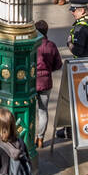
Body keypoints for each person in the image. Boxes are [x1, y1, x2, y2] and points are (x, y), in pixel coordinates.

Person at [33, 19, 62, 148]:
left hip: (32, 82)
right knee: (43, 111)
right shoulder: (51, 46)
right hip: (46, 82)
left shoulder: (32, 46)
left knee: (30, 110)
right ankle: (40, 138)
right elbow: (58, 64)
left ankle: (30, 136)